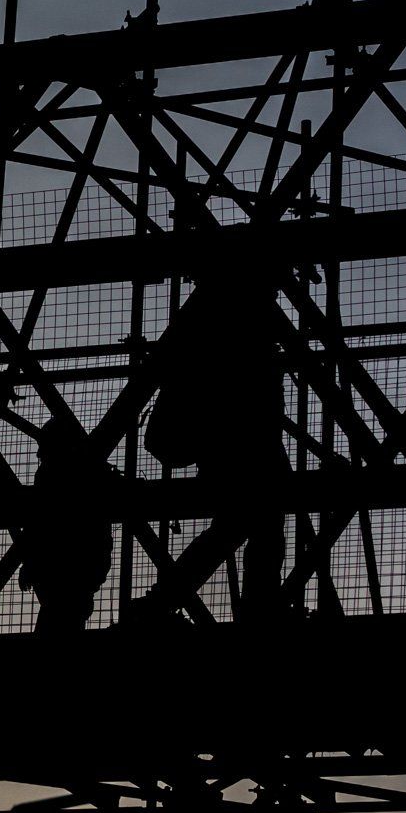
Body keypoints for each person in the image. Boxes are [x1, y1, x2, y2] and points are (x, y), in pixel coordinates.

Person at [140, 267, 290, 622]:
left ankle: (164, 600)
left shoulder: (211, 331)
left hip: (227, 448)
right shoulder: (247, 339)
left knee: (238, 525)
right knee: (258, 525)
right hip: (245, 448)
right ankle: (257, 605)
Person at [19, 418, 117, 633]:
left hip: (62, 573)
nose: (40, 455)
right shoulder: (89, 475)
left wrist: (30, 564)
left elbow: (39, 523)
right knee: (65, 617)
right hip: (79, 572)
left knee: (58, 615)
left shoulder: (47, 475)